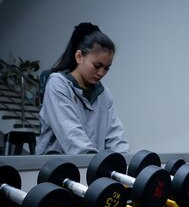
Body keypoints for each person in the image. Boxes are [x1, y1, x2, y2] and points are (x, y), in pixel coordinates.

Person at [36, 22, 130, 155]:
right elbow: (72, 137)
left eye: (107, 68)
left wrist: (124, 161)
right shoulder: (57, 84)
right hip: (58, 169)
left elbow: (115, 137)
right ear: (79, 56)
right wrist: (94, 164)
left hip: (90, 167)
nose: (101, 73)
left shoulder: (103, 93)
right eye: (97, 66)